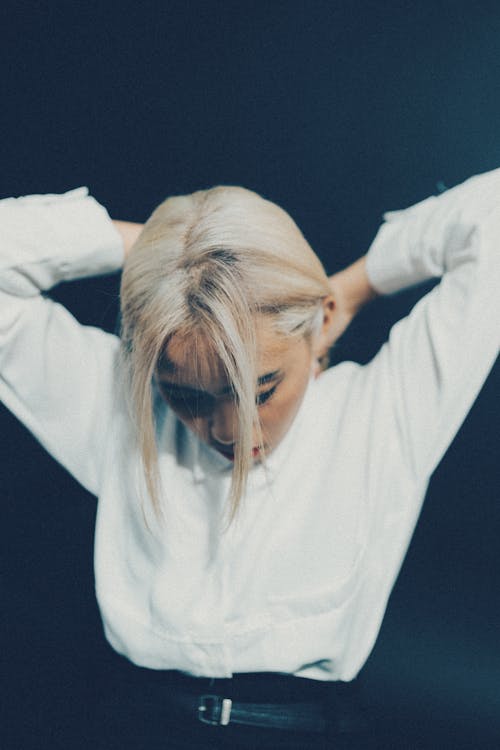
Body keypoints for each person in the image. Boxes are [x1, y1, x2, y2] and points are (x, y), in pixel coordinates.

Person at [0, 170, 498, 750]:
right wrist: (175, 257)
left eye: (259, 390)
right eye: (186, 396)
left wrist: (358, 285)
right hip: (131, 728)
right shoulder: (124, 418)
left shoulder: (382, 416)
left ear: (317, 330)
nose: (227, 430)